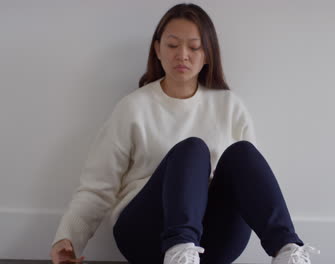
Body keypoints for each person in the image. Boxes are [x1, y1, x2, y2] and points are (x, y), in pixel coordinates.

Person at [49, 3, 320, 264]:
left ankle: (287, 249)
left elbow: (251, 184)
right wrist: (69, 239)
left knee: (243, 154)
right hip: (146, 236)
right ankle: (178, 251)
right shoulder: (134, 107)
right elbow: (98, 186)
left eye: (194, 47)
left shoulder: (229, 105)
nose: (182, 55)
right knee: (192, 149)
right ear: (157, 49)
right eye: (172, 45)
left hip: (212, 242)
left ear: (207, 54)